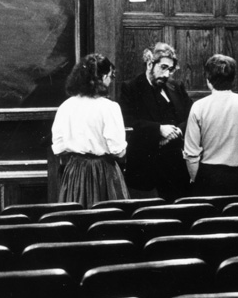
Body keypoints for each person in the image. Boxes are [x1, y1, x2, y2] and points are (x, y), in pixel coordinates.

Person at [51, 53, 129, 208]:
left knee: (75, 218)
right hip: (103, 173)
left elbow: (58, 146)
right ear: (104, 77)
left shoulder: (66, 106)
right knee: (107, 219)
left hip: (74, 173)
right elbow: (118, 150)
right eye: (110, 76)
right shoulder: (109, 107)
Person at [183, 54, 238, 198]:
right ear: (234, 79)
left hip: (207, 175)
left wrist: (197, 181)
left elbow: (191, 153)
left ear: (208, 80)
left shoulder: (199, 106)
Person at [118, 42, 192, 201]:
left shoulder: (176, 86)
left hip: (175, 166)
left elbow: (192, 115)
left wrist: (178, 130)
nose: (167, 75)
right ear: (150, 63)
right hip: (145, 166)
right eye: (163, 67)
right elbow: (127, 120)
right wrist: (158, 128)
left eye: (170, 70)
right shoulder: (131, 88)